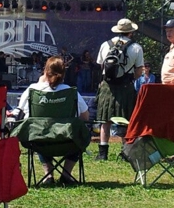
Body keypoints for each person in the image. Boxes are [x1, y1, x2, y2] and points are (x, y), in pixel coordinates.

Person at [16, 56, 89, 185]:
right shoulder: (71, 92)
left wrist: (40, 83)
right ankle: (66, 173)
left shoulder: (32, 90)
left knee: (40, 130)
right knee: (79, 132)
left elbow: (19, 112)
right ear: (64, 73)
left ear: (45, 71)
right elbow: (85, 117)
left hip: (40, 142)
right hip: (68, 142)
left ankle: (48, 174)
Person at [95, 18, 144, 161]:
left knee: (105, 120)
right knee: (125, 119)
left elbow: (101, 65)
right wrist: (129, 79)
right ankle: (125, 153)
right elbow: (139, 70)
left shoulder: (105, 45)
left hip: (107, 85)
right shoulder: (136, 47)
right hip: (125, 86)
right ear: (131, 32)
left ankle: (103, 153)